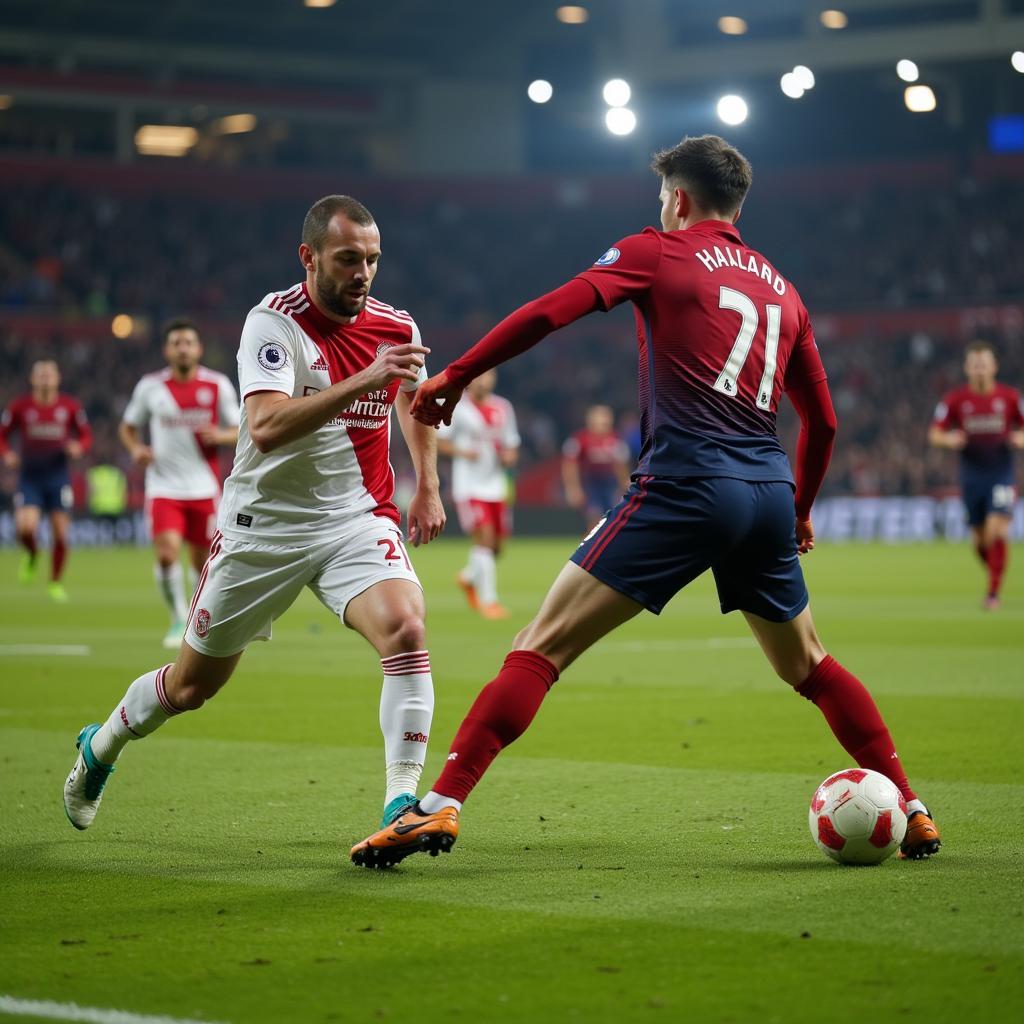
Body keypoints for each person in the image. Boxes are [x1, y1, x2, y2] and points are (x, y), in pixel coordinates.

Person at [350, 134, 942, 868]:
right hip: (765, 492)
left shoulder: (658, 251)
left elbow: (549, 311)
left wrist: (460, 374)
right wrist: (800, 510)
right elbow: (823, 422)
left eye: (662, 196)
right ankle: (910, 807)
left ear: (680, 198)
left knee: (540, 647)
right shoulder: (783, 289)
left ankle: (436, 807)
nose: (658, 207)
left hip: (687, 485)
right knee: (810, 665)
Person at [64, 194, 446, 835]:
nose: (363, 273)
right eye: (348, 258)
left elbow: (413, 398)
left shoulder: (395, 326)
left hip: (355, 517)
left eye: (373, 261)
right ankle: (100, 746)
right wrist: (364, 379)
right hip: (262, 528)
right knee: (190, 689)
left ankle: (401, 806)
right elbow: (266, 427)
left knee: (407, 629)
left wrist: (428, 485)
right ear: (310, 257)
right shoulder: (273, 323)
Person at [120, 319, 241, 648]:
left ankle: (196, 618)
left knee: (202, 562)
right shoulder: (151, 387)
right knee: (166, 553)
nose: (183, 348)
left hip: (203, 489)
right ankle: (177, 617)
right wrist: (136, 450)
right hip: (163, 488)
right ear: (167, 350)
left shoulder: (216, 385)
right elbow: (128, 426)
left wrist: (221, 435)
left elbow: (243, 427)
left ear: (198, 349)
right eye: (177, 343)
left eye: (188, 342)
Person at [929, 341, 1023, 609]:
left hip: (1001, 474)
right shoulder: (955, 400)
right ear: (967, 368)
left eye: (984, 364)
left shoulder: (1011, 398)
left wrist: (1019, 438)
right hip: (971, 477)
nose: (980, 369)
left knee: (996, 531)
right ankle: (996, 571)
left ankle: (993, 594)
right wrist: (950, 440)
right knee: (980, 542)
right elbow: (935, 434)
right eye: (975, 364)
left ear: (994, 366)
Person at [0, 359, 92, 602]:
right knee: (25, 529)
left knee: (61, 534)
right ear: (32, 379)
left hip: (58, 477)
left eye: (49, 374)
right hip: (29, 478)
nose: (45, 378)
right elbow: (3, 435)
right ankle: (32, 555)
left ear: (57, 379)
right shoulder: (20, 407)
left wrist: (78, 447)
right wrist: (7, 453)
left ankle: (55, 582)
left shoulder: (69, 407)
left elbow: (85, 436)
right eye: (40, 374)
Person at [437, 369, 520, 619]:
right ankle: (489, 601)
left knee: (497, 548)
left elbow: (512, 443)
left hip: (496, 484)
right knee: (484, 538)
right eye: (480, 375)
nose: (484, 380)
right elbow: (439, 440)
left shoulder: (503, 407)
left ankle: (468, 577)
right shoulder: (458, 406)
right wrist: (463, 452)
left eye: (489, 375)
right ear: (470, 380)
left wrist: (509, 457)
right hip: (469, 486)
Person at [561, 404, 631, 530]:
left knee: (614, 518)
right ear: (591, 420)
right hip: (590, 485)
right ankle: (590, 548)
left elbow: (620, 465)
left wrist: (624, 484)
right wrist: (573, 488)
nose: (605, 422)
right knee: (594, 519)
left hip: (610, 485)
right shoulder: (579, 439)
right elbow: (570, 465)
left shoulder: (616, 439)